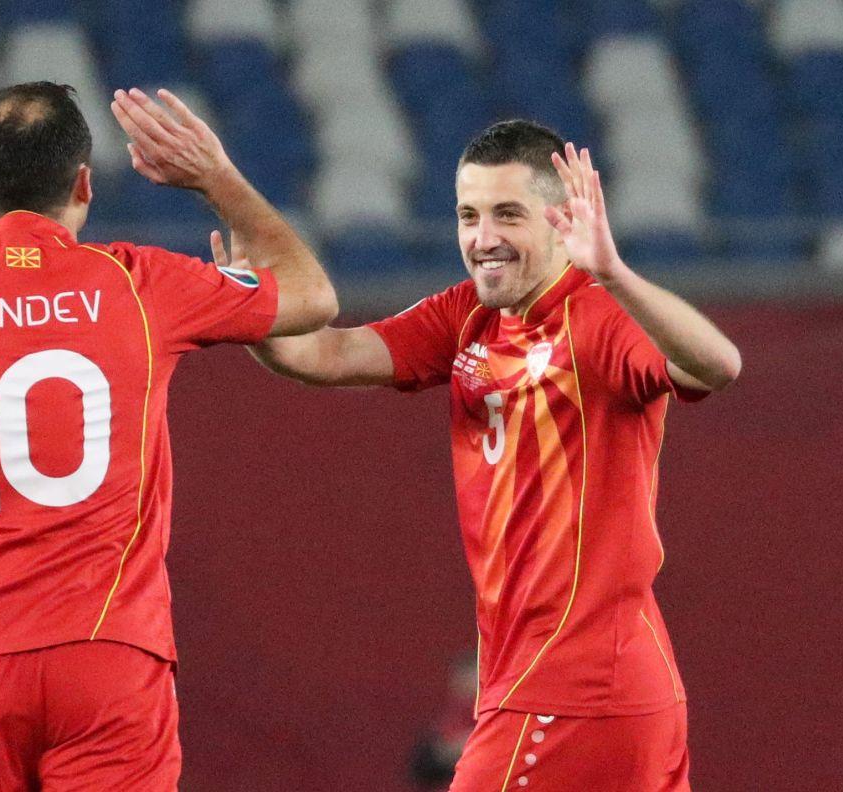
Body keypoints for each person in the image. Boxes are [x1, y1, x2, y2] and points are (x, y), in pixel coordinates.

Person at [0, 81, 337, 790]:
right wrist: (217, 178)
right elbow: (314, 296)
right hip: (108, 654)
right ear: (85, 183)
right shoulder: (140, 282)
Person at [244, 120, 741, 791]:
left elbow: (716, 365)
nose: (483, 239)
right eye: (468, 215)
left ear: (560, 221)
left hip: (571, 686)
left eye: (507, 214)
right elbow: (320, 354)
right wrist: (243, 305)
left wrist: (613, 271)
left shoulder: (599, 318)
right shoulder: (466, 319)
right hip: (588, 682)